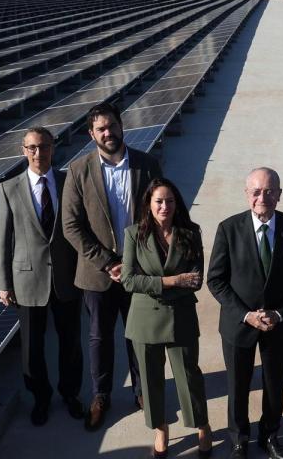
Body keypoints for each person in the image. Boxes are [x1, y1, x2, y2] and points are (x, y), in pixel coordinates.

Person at [62, 102, 163, 431]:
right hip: (97, 273)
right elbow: (71, 225)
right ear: (92, 135)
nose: (108, 133)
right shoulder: (79, 171)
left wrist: (137, 262)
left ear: (122, 126)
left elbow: (160, 216)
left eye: (112, 126)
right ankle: (101, 395)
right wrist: (107, 262)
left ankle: (143, 391)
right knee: (99, 337)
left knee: (139, 336)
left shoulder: (147, 165)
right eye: (101, 129)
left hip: (139, 271)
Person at [207, 167, 283, 459]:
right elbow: (215, 279)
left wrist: (280, 313)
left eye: (269, 191)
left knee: (274, 383)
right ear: (246, 194)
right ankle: (239, 440)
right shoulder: (228, 229)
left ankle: (270, 436)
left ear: (279, 194)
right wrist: (246, 315)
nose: (262, 197)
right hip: (238, 325)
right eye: (256, 191)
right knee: (237, 385)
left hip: (277, 326)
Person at [0, 126, 84, 425]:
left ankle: (71, 394)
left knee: (70, 342)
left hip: (66, 276)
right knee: (32, 348)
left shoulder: (68, 181)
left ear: (52, 148)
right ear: (23, 151)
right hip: (27, 280)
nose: (38, 153)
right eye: (31, 147)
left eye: (43, 146)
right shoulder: (9, 188)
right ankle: (41, 398)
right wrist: (3, 283)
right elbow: (2, 240)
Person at [121, 178, 213, 459]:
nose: (164, 206)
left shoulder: (190, 233)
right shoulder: (133, 234)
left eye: (169, 201)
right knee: (150, 379)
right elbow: (128, 279)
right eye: (159, 201)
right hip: (144, 321)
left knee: (189, 376)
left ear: (177, 204)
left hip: (181, 318)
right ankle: (160, 428)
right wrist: (172, 281)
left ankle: (201, 425)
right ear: (148, 204)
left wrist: (156, 283)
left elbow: (196, 280)